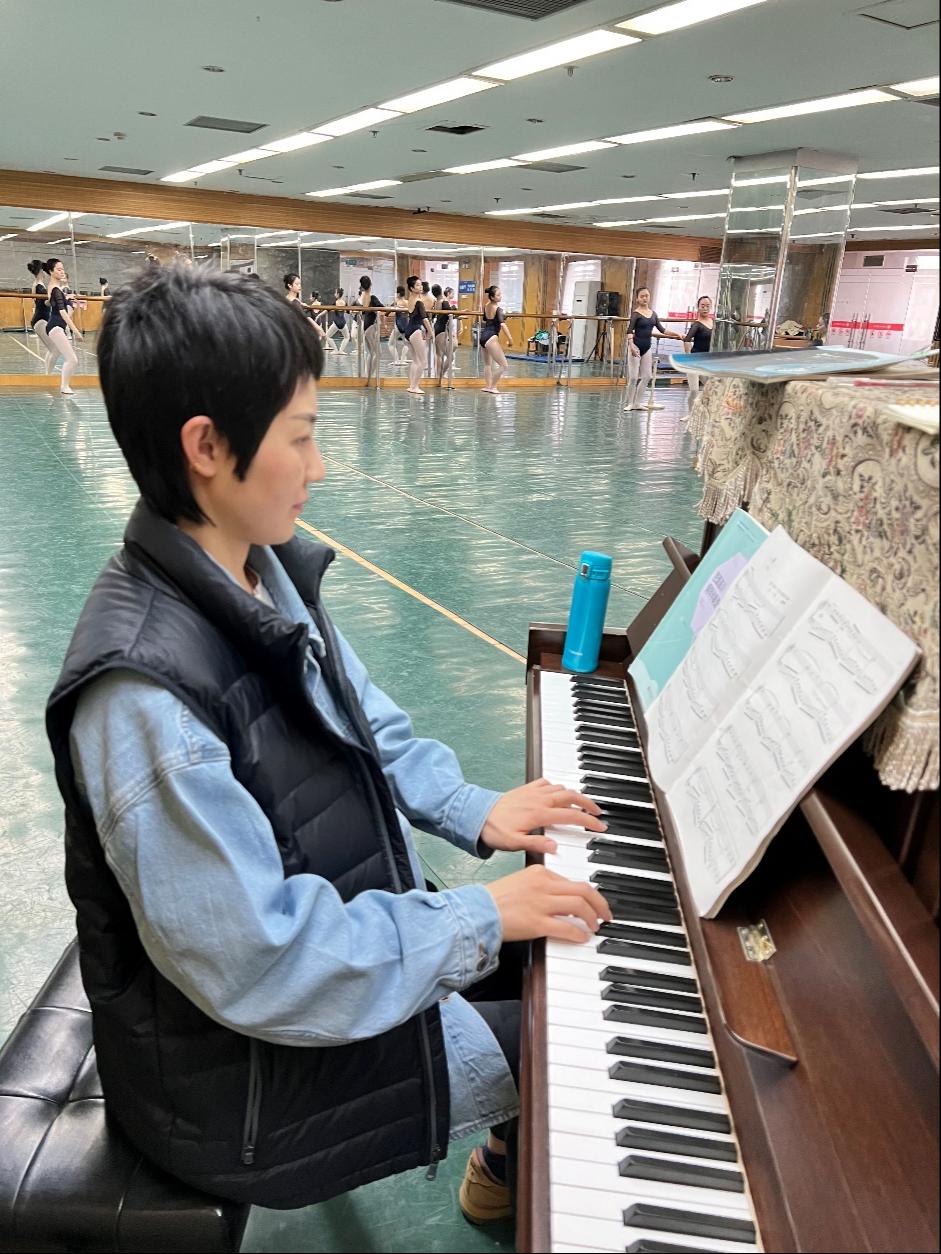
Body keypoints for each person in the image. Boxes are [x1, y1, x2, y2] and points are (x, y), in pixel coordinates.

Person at [46, 263, 610, 1222]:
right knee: (576, 1036)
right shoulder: (144, 697)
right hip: (243, 1088)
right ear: (207, 447)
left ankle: (505, 1154)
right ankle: (510, 1157)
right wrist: (475, 918)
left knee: (576, 932)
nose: (321, 468)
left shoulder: (257, 567)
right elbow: (261, 964)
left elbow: (363, 715)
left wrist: (471, 808)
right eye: (302, 436)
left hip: (308, 977)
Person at [623, 286, 682, 411]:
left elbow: (662, 330)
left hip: (647, 348)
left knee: (647, 376)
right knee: (633, 377)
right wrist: (631, 345)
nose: (645, 298)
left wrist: (677, 334)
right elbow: (629, 331)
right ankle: (630, 403)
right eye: (642, 296)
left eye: (647, 296)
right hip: (636, 346)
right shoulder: (636, 314)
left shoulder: (653, 314)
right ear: (637, 299)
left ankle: (637, 403)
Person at [42, 258, 83, 395]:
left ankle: (54, 380)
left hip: (55, 326)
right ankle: (64, 386)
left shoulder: (53, 287)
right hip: (55, 327)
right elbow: (62, 312)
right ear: (51, 271)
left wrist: (66, 297)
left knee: (60, 354)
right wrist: (76, 331)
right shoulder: (56, 290)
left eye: (63, 269)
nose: (62, 272)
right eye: (59, 269)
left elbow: (50, 301)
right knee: (72, 359)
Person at [480, 285, 513, 395]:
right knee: (504, 365)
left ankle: (488, 386)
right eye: (498, 295)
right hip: (491, 337)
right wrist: (510, 339)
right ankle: (492, 386)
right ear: (492, 297)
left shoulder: (486, 306)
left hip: (483, 336)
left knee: (487, 364)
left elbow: (486, 319)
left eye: (500, 294)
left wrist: (502, 316)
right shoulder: (498, 309)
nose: (500, 296)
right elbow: (502, 325)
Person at [404, 274, 434, 395]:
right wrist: (431, 332)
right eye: (417, 285)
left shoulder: (410, 299)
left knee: (415, 360)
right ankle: (415, 386)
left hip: (408, 330)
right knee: (423, 361)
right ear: (412, 288)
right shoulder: (419, 302)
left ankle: (412, 386)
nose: (420, 287)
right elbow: (425, 319)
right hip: (415, 330)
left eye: (421, 284)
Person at [682, 294, 714, 404]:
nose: (705, 308)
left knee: (710, 388)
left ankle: (705, 410)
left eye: (707, 306)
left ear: (711, 307)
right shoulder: (696, 324)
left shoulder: (713, 323)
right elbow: (687, 340)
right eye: (702, 306)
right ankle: (690, 412)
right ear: (698, 307)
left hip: (706, 362)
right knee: (694, 390)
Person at [355, 274, 384, 386]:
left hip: (366, 327)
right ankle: (368, 378)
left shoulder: (361, 298)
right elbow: (384, 309)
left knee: (372, 353)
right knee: (377, 353)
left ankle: (368, 376)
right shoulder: (372, 298)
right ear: (370, 285)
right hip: (370, 327)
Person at [27, 259, 54, 366]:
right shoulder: (38, 285)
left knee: (52, 349)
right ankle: (48, 374)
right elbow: (45, 303)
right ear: (41, 271)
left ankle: (48, 373)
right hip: (40, 320)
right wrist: (55, 299)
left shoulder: (39, 284)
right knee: (54, 349)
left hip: (42, 318)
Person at [284, 273, 324, 339]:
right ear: (290, 285)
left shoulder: (288, 298)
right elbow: (305, 317)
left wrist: (301, 303)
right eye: (297, 284)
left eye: (300, 284)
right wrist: (319, 329)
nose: (299, 286)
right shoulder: (294, 301)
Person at [434, 286, 457, 386]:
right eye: (452, 293)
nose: (453, 295)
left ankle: (439, 376)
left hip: (439, 328)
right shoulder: (444, 301)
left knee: (439, 355)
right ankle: (440, 376)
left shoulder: (438, 301)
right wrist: (456, 311)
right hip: (441, 329)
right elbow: (449, 313)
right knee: (449, 356)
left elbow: (447, 315)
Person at [324, 287, 351, 354]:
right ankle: (341, 350)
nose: (334, 294)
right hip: (343, 323)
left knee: (327, 336)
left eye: (335, 293)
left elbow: (327, 310)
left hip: (336, 323)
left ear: (338, 294)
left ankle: (336, 350)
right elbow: (349, 312)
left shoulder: (335, 303)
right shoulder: (344, 303)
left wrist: (319, 315)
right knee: (347, 337)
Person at [389, 284, 409, 365]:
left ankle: (396, 360)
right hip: (406, 324)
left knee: (390, 343)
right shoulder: (407, 302)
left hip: (398, 325)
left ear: (398, 294)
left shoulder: (396, 302)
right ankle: (403, 359)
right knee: (406, 343)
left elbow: (387, 312)